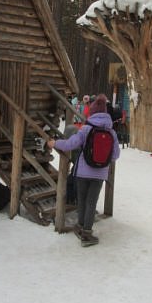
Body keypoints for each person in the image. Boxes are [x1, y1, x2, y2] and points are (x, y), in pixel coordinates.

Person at [47, 94, 120, 247]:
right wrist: (102, 160)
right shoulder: (111, 132)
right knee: (91, 202)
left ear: (92, 113)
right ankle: (86, 232)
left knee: (82, 200)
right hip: (100, 174)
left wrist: (55, 143)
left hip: (82, 172)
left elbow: (70, 144)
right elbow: (115, 155)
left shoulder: (86, 129)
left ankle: (81, 228)